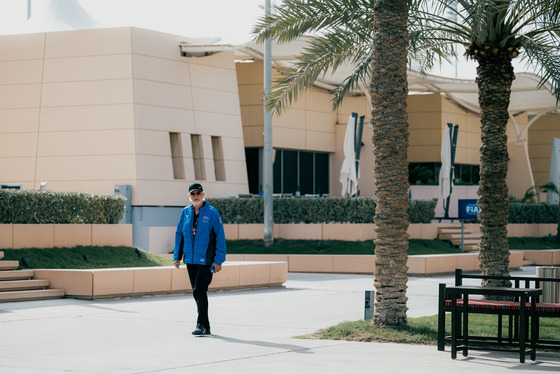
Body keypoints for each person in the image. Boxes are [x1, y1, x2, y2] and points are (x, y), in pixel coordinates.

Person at [173, 183, 226, 335]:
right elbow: (179, 234)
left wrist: (218, 260)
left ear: (203, 195)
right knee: (197, 292)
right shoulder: (185, 213)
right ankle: (206, 325)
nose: (195, 196)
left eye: (198, 193)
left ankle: (200, 324)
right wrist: (177, 256)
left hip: (207, 260)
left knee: (200, 289)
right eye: (192, 194)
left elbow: (220, 237)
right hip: (190, 259)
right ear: (189, 196)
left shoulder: (212, 213)